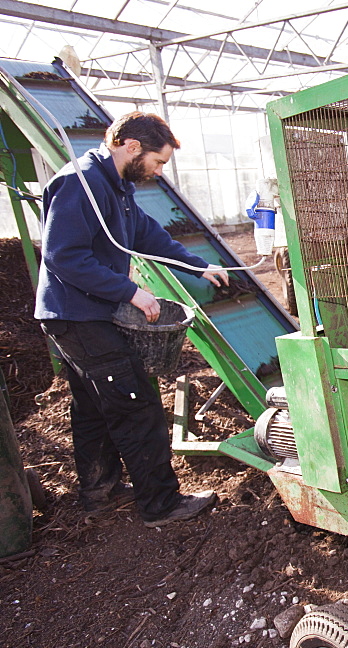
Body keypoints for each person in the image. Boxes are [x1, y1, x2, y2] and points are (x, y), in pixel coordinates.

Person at [34, 111, 227, 528]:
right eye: (158, 162)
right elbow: (63, 256)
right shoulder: (78, 182)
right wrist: (131, 292)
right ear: (132, 147)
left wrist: (196, 265)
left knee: (92, 404)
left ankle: (99, 491)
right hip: (77, 315)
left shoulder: (116, 186)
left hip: (84, 313)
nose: (158, 172)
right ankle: (160, 504)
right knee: (136, 401)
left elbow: (145, 233)